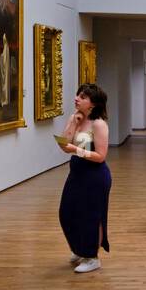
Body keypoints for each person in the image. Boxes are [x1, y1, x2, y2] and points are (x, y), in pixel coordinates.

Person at [59, 83, 112, 273]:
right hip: (77, 172)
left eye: (82, 97)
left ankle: (91, 256)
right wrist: (73, 122)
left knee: (91, 216)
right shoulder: (75, 118)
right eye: (78, 95)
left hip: (95, 175)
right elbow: (64, 145)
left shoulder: (99, 124)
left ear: (93, 104)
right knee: (67, 212)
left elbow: (100, 156)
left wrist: (77, 150)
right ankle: (78, 248)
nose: (77, 98)